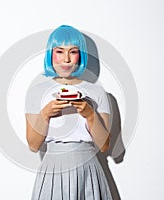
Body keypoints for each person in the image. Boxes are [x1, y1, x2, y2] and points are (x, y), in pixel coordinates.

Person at [25, 25, 113, 200]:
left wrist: (90, 114)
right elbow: (33, 145)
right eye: (60, 51)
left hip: (88, 169)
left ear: (80, 55)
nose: (66, 59)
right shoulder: (36, 92)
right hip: (52, 170)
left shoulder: (96, 92)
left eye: (73, 52)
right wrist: (46, 113)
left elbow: (104, 146)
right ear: (51, 54)